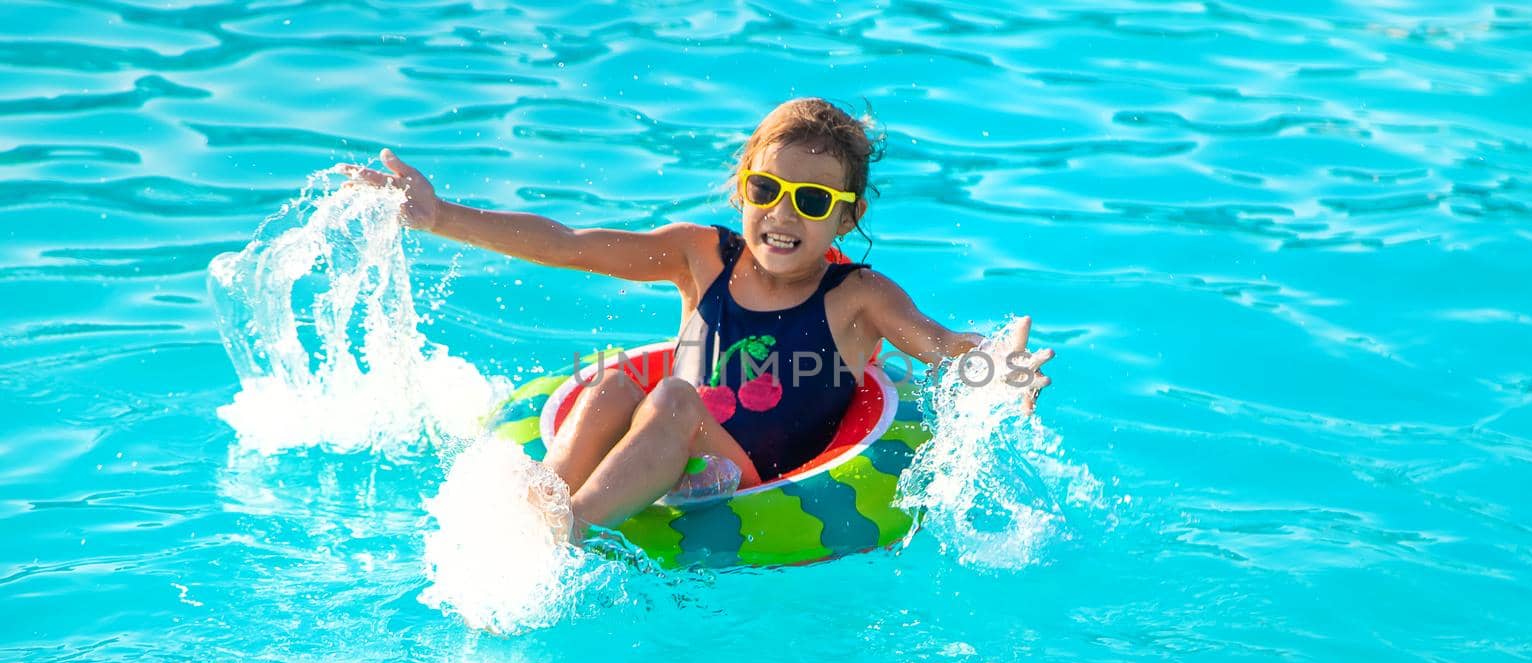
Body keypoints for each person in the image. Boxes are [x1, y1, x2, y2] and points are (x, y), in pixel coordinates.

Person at [339, 97, 1051, 537]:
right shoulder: (699, 256)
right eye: (766, 189)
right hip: (678, 445)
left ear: (847, 216)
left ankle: (570, 529)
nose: (780, 214)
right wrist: (439, 218)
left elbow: (940, 345)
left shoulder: (859, 299)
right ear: (743, 184)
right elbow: (568, 244)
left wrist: (1001, 367)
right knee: (615, 384)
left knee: (673, 395)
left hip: (753, 471)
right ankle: (542, 498)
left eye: (810, 201)